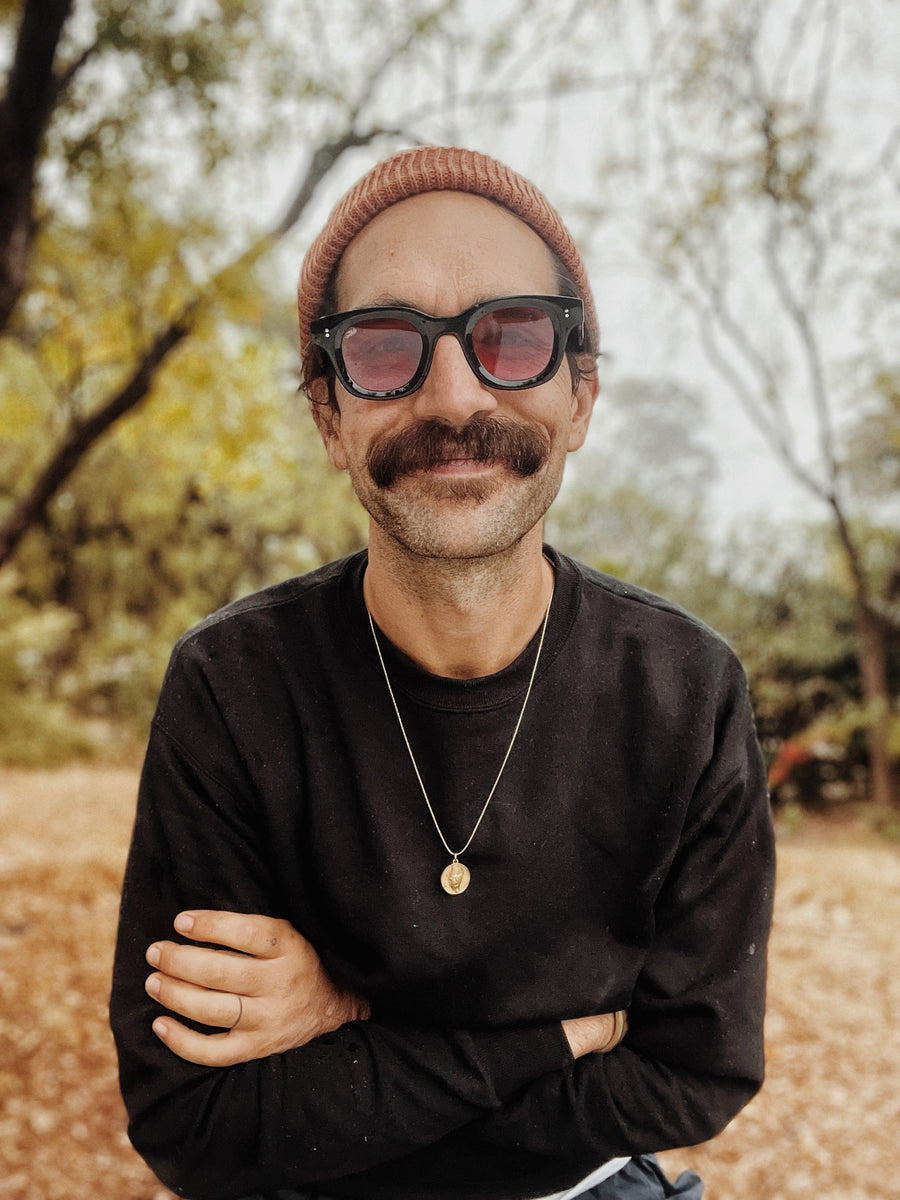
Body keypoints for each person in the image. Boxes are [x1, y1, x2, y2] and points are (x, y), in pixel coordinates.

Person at [110, 146, 775, 1200]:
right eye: (385, 350)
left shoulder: (685, 692)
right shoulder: (234, 687)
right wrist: (552, 1039)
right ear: (330, 416)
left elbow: (697, 1072)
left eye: (511, 337)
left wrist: (354, 1018)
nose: (454, 394)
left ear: (582, 397)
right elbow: (193, 1122)